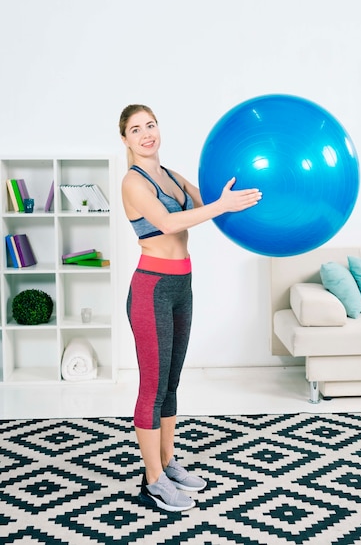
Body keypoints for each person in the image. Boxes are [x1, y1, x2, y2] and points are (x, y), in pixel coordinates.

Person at [119, 104, 262, 512]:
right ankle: (152, 482)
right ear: (125, 139)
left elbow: (210, 206)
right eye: (136, 129)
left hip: (182, 284)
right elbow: (168, 223)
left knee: (171, 384)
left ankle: (166, 463)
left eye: (151, 125)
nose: (147, 134)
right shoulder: (134, 182)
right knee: (152, 386)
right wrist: (221, 207)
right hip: (152, 288)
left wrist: (241, 201)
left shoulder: (172, 175)